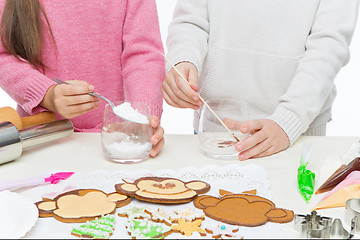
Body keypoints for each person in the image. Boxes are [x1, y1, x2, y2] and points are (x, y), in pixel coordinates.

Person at [163, 0, 359, 160]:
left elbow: (328, 46)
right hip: (216, 131)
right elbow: (190, 20)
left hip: (298, 136)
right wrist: (183, 59)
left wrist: (288, 120)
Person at [0, 0, 165, 157]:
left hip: (115, 141)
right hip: (39, 140)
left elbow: (143, 53)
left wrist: (144, 120)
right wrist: (46, 94)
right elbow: (4, 55)